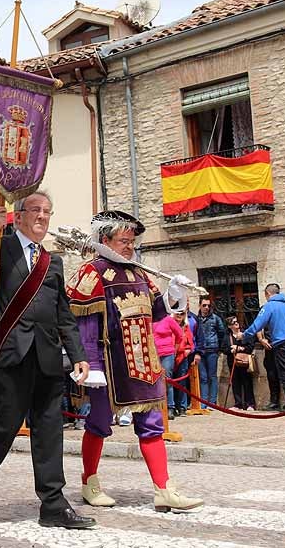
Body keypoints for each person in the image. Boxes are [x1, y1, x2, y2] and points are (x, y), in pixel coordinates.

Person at [0, 191, 94, 529]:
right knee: (3, 429)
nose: (42, 216)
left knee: (50, 431)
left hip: (47, 357)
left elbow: (63, 312)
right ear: (18, 216)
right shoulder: (1, 247)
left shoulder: (53, 261)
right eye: (35, 210)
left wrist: (77, 354)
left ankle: (53, 504)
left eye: (47, 211)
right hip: (12, 354)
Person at [68, 210, 202, 512]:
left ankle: (164, 489)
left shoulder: (139, 273)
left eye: (132, 242)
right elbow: (85, 324)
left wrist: (174, 293)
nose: (130, 247)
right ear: (105, 240)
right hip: (110, 364)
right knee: (99, 423)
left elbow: (157, 313)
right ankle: (89, 482)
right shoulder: (92, 272)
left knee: (152, 425)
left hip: (143, 360)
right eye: (123, 241)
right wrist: (92, 366)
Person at [242, 283, 285, 410]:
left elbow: (258, 324)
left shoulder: (269, 306)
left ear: (267, 294)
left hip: (281, 342)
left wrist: (245, 336)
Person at [153, 310, 188, 420]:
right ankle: (158, 408)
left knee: (167, 380)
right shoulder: (150, 320)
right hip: (154, 354)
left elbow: (180, 334)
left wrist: (175, 349)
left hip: (167, 353)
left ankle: (170, 407)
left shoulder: (168, 319)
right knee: (155, 382)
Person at [193, 297, 225, 406]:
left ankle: (212, 402)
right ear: (199, 306)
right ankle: (204, 402)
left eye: (208, 305)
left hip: (212, 350)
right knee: (203, 377)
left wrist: (218, 347)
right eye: (204, 305)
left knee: (212, 376)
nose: (206, 308)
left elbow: (222, 333)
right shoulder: (196, 319)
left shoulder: (215, 318)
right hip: (201, 351)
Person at [223, 316, 256, 410]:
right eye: (234, 323)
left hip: (244, 361)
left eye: (237, 321)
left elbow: (250, 346)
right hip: (232, 361)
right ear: (229, 326)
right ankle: (238, 404)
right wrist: (231, 350)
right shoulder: (227, 336)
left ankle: (250, 404)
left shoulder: (245, 334)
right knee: (235, 382)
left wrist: (241, 348)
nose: (236, 323)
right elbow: (224, 348)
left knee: (247, 382)